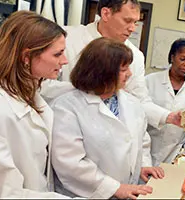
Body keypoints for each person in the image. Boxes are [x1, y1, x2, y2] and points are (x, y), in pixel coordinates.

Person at [0, 11, 69, 198]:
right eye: (57, 54)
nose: (65, 61)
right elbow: (1, 194)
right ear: (26, 57)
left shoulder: (27, 93)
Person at [51, 37, 164, 199]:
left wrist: (142, 166)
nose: (130, 74)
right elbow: (70, 162)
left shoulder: (132, 104)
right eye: (123, 69)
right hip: (86, 195)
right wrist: (114, 188)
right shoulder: (67, 107)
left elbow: (142, 142)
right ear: (103, 72)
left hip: (127, 191)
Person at [59, 0, 180, 129]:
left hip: (107, 132)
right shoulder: (66, 39)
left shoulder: (136, 56)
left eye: (135, 22)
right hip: (66, 123)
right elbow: (43, 85)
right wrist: (90, 90)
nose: (132, 28)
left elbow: (139, 100)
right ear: (106, 14)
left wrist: (170, 117)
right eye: (127, 21)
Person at [145, 38, 185, 166]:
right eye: (182, 59)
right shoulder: (150, 81)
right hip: (146, 148)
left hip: (175, 152)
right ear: (172, 57)